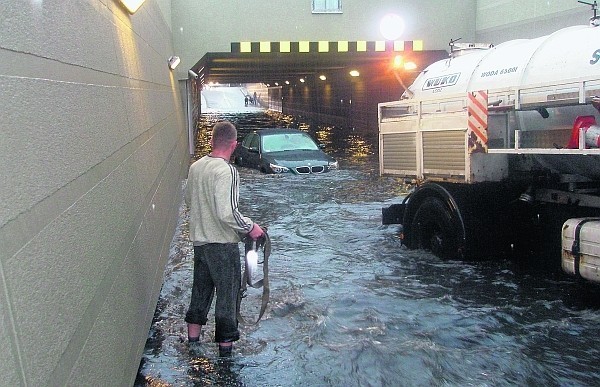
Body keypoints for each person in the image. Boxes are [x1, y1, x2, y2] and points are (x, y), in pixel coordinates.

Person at [184, 120, 264, 357]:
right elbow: (227, 213)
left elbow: (189, 201)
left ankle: (192, 343)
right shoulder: (227, 171)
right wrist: (251, 227)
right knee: (228, 298)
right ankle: (226, 356)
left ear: (211, 141)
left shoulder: (196, 167)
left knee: (200, 293)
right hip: (222, 246)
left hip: (200, 245)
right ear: (234, 144)